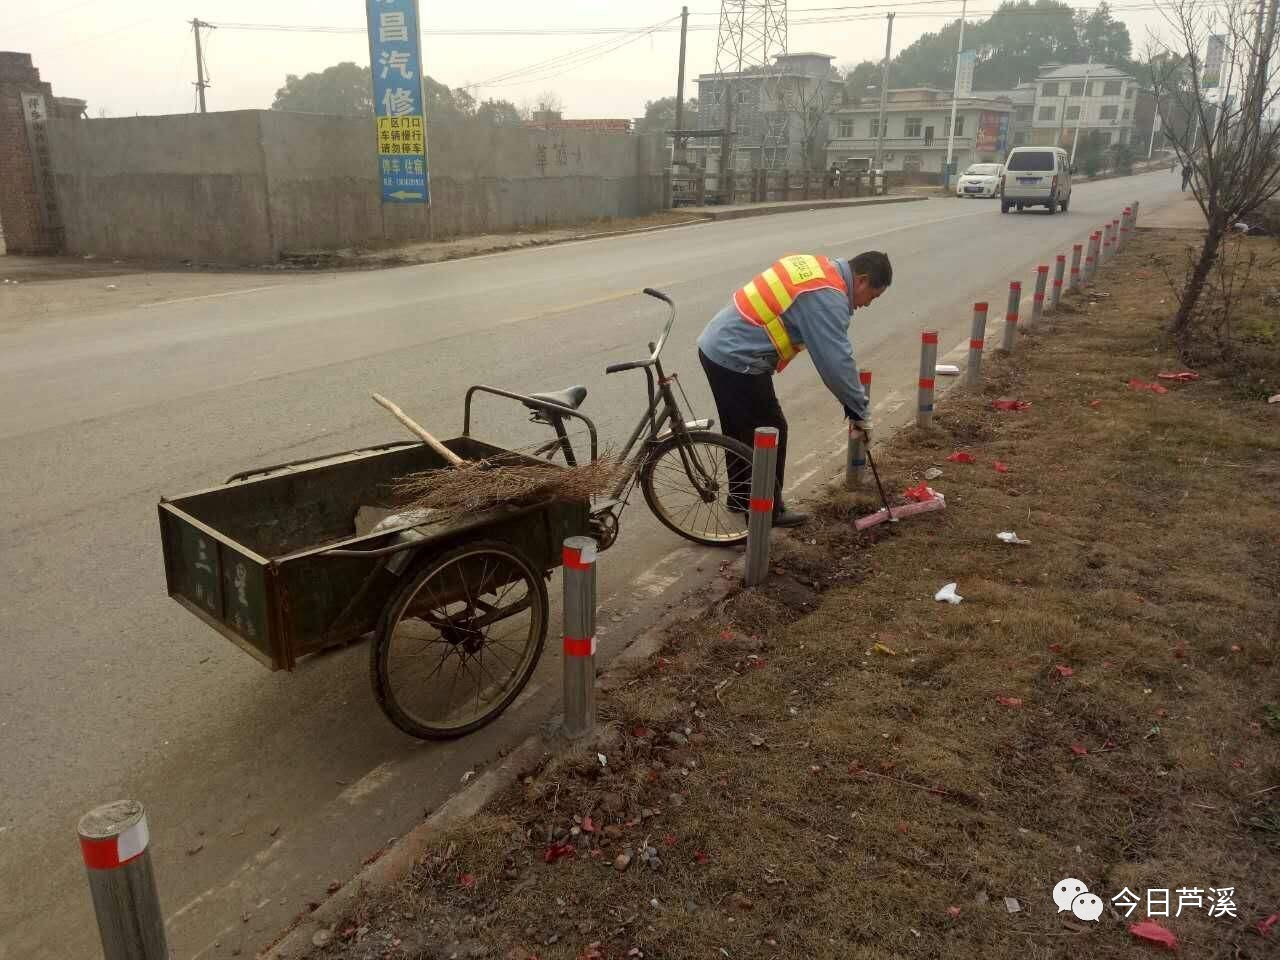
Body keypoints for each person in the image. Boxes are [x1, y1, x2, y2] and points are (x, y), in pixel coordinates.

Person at [697, 251, 892, 527]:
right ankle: (768, 511)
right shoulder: (828, 296)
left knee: (740, 428)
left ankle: (742, 497)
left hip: (718, 345)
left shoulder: (821, 268)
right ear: (861, 281)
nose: (868, 305)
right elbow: (836, 362)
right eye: (872, 296)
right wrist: (860, 411)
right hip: (737, 357)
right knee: (772, 430)